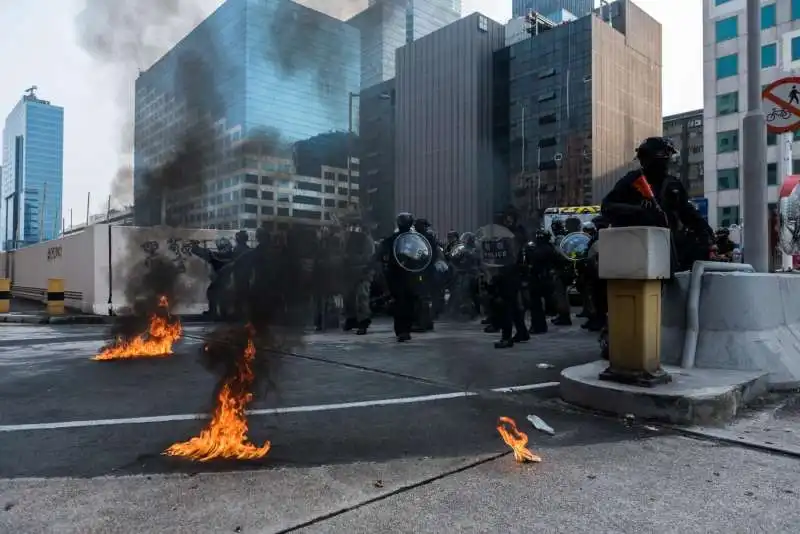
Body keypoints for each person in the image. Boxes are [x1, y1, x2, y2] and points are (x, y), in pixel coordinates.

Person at [601, 137, 712, 271]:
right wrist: (638, 212)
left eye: (668, 155)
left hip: (670, 246)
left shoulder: (672, 184)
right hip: (637, 247)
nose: (667, 159)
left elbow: (689, 213)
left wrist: (708, 235)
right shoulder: (632, 181)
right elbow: (607, 206)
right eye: (664, 154)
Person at [377, 212, 420, 342]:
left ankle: (404, 329)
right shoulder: (393, 240)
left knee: (406, 302)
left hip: (408, 274)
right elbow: (381, 255)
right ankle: (403, 330)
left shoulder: (414, 240)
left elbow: (422, 255)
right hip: (398, 275)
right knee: (402, 302)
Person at [493, 209, 530, 348]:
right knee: (513, 306)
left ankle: (506, 337)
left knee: (506, 306)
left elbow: (510, 256)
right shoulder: (515, 233)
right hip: (511, 273)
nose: (507, 220)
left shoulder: (512, 235)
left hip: (510, 273)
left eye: (509, 218)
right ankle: (522, 332)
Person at [523, 230, 558, 335]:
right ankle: (539, 325)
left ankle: (538, 326)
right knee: (537, 304)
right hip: (543, 278)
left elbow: (535, 259)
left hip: (539, 278)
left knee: (536, 304)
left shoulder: (543, 249)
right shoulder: (549, 247)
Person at [192, 237, 235, 320]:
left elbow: (209, 254)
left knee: (214, 294)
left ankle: (217, 313)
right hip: (226, 280)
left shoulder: (220, 255)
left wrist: (195, 247)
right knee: (217, 295)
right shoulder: (230, 254)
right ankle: (221, 313)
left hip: (223, 280)